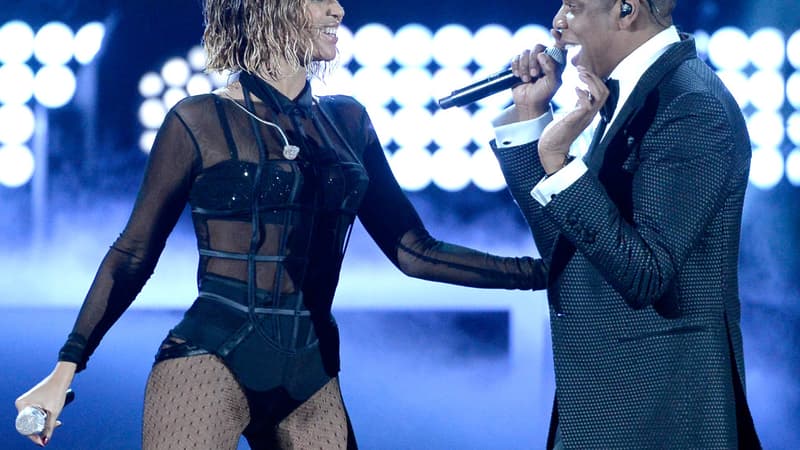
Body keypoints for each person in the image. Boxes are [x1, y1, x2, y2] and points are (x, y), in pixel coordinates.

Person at [14, 0, 549, 448]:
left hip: (312, 373)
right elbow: (133, 254)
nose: (338, 9)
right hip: (207, 361)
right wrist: (67, 368)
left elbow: (416, 251)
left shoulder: (348, 121)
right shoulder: (197, 120)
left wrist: (544, 271)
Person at [488, 0, 761, 448]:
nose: (556, 25)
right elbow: (571, 251)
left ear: (627, 9)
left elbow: (645, 272)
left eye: (572, 7)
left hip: (663, 415)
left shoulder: (691, 104)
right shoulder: (625, 94)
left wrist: (559, 163)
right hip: (605, 408)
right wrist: (529, 122)